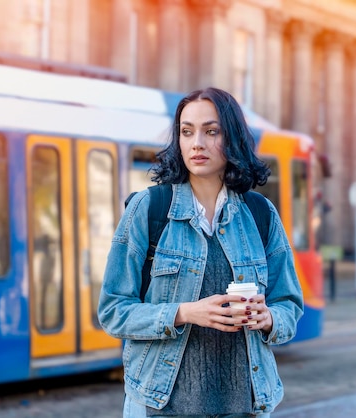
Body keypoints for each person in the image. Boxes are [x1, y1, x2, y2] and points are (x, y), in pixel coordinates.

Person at [97, 87, 303, 418]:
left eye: (211, 131)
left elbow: (288, 306)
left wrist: (269, 318)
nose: (197, 144)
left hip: (245, 407)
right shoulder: (148, 208)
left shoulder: (260, 214)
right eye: (187, 131)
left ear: (232, 138)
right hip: (161, 406)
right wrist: (185, 313)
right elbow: (113, 311)